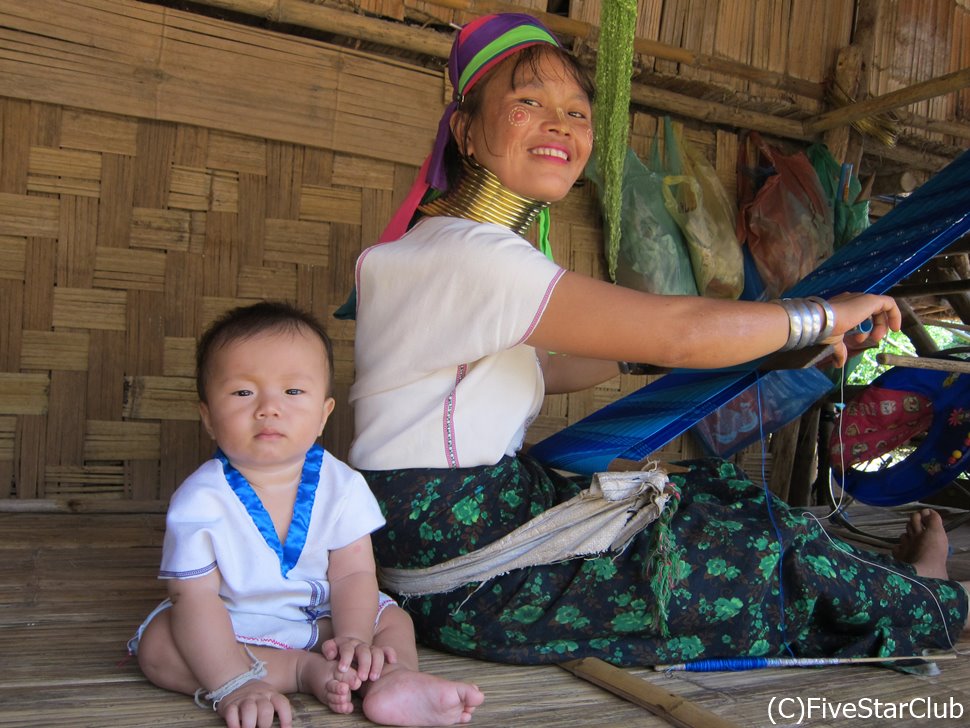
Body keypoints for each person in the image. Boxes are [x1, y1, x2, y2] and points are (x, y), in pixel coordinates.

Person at [345, 12, 969, 669]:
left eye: (577, 111)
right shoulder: (471, 258)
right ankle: (930, 604)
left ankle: (893, 589)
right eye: (527, 103)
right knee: (753, 559)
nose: (561, 125)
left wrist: (755, 348)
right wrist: (818, 316)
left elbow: (540, 372)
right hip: (468, 573)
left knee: (715, 497)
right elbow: (680, 330)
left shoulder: (438, 250)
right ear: (466, 130)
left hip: (482, 520)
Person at [129, 301, 484, 728]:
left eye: (293, 392)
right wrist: (232, 681)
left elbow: (353, 574)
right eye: (243, 392)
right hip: (238, 627)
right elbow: (195, 597)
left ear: (323, 414)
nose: (269, 408)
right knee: (159, 647)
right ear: (207, 416)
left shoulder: (343, 485)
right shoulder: (199, 502)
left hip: (330, 620)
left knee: (392, 620)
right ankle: (296, 672)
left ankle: (391, 680)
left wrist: (355, 637)